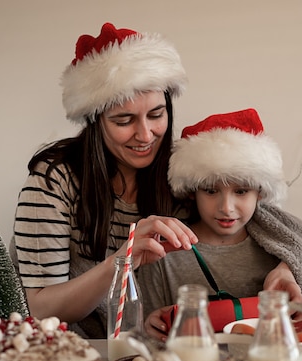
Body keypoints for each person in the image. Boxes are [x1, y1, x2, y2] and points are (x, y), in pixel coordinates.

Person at [12, 22, 198, 339]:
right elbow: (42, 308)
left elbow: (252, 222)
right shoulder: (52, 179)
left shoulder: (182, 169)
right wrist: (122, 260)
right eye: (124, 120)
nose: (145, 135)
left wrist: (284, 266)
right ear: (95, 121)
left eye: (156, 114)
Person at [139, 108, 302, 341]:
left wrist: (289, 270)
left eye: (241, 191)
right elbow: (144, 331)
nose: (226, 207)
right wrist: (151, 324)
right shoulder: (165, 253)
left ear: (261, 192)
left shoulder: (282, 251)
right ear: (192, 191)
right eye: (211, 190)